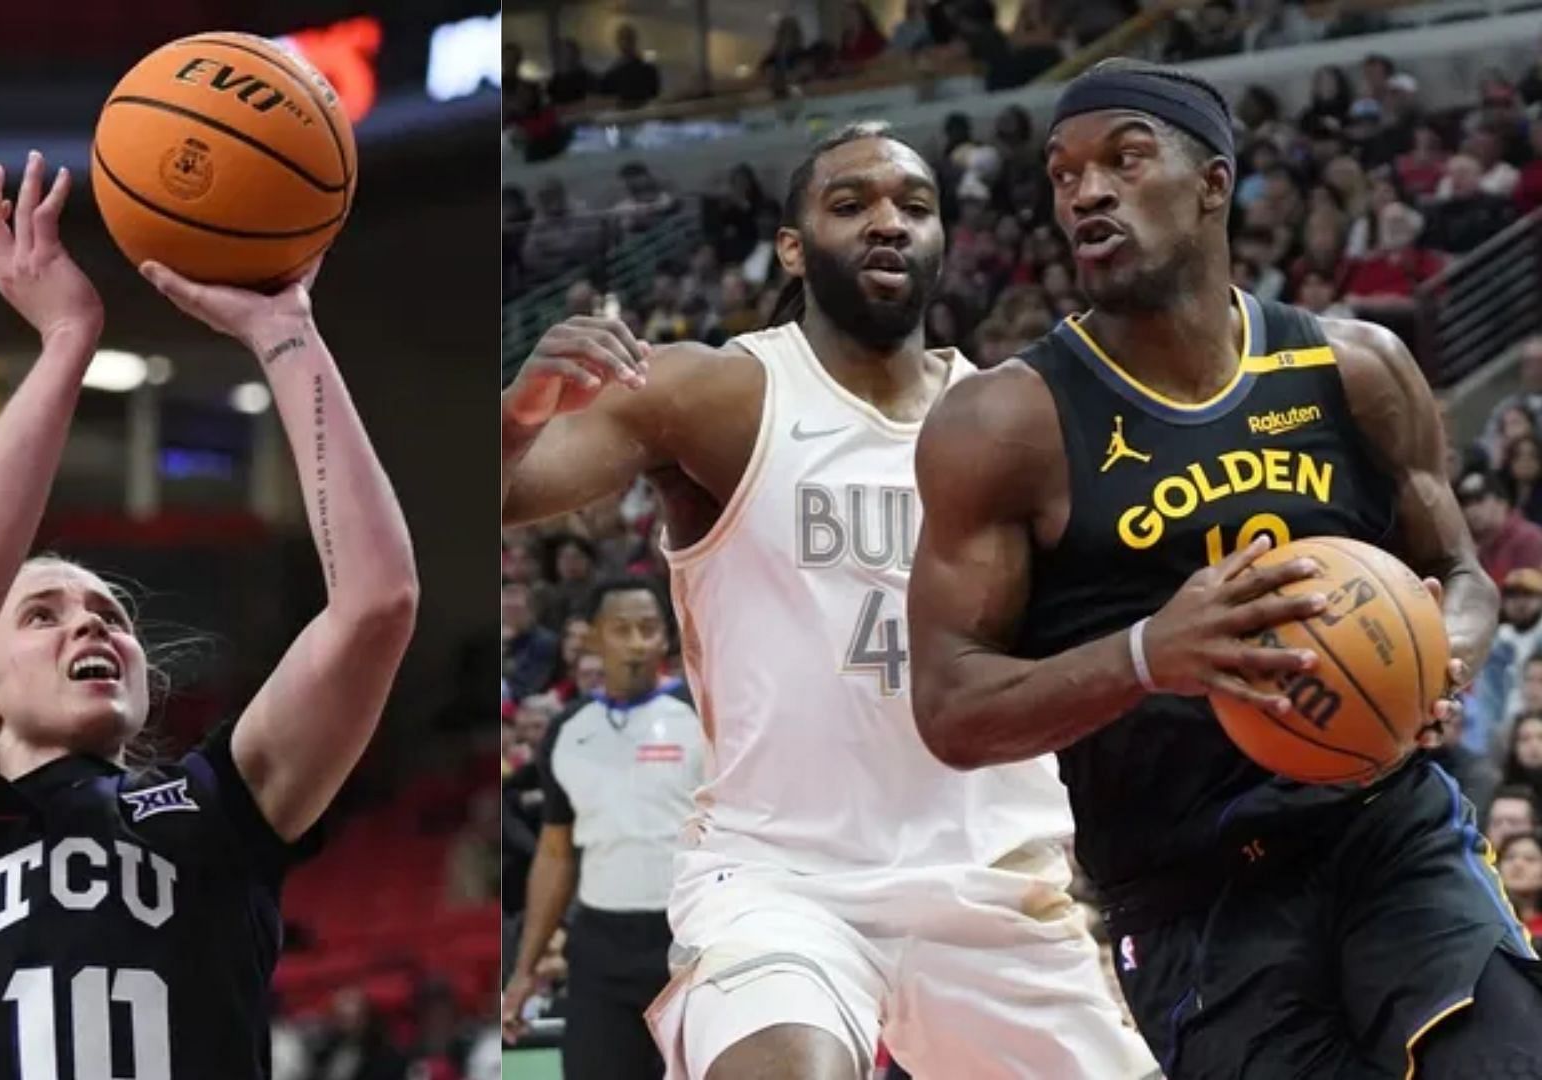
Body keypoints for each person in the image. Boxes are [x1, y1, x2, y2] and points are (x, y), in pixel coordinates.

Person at [908, 59, 1540, 1079]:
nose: (1087, 192)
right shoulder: (1005, 423)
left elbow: (1458, 575)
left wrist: (1440, 659)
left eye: (1123, 158)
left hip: (1387, 830)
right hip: (1192, 892)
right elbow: (947, 708)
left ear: (1214, 184)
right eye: (1065, 176)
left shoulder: (1354, 368)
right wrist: (1150, 653)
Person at [501, 121, 1154, 1080]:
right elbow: (506, 492)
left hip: (994, 890)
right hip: (783, 884)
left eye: (914, 207)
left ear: (943, 239)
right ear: (793, 247)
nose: (888, 222)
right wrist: (516, 417)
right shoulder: (719, 392)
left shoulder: (1026, 419)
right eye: (852, 205)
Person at [0, 152, 417, 1078]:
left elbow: (377, 605)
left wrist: (286, 331)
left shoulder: (214, 809)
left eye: (111, 613)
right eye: (41, 614)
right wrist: (68, 337)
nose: (92, 624)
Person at [501, 578, 702, 1079]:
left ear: (666, 639)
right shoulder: (568, 732)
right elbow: (554, 854)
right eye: (622, 629)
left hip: (691, 941)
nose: (637, 642)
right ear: (591, 638)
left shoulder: (703, 717)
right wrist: (524, 971)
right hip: (599, 947)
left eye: (649, 629)